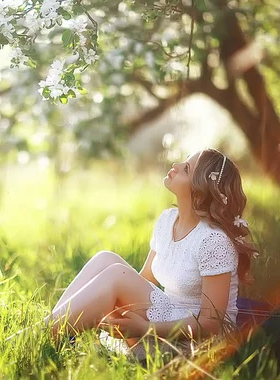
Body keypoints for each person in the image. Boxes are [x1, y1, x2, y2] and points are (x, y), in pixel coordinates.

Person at [44, 148, 259, 351]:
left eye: (186, 168)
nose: (175, 165)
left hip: (195, 343)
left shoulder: (214, 241)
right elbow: (144, 280)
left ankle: (43, 335)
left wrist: (145, 329)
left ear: (200, 192)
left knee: (116, 275)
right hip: (165, 315)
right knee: (106, 259)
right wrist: (109, 303)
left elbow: (211, 325)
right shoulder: (167, 221)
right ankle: (51, 330)